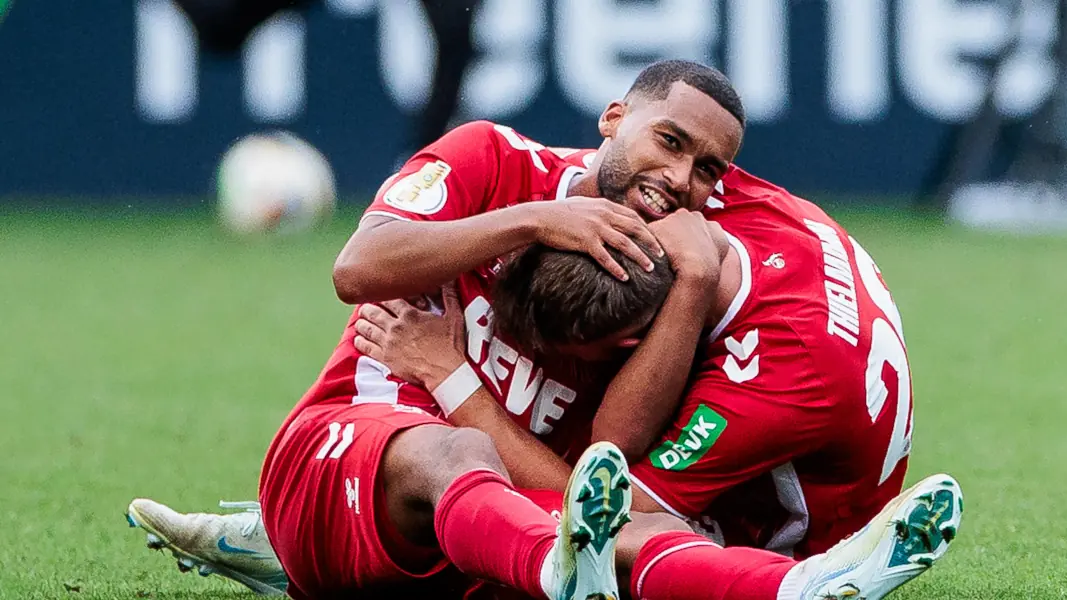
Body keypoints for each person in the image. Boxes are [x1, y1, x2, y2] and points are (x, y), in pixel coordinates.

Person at [126, 60, 963, 600]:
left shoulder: (670, 272)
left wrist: (687, 287)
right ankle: (563, 567)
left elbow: (602, 472)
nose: (677, 179)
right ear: (611, 118)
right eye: (666, 142)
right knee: (465, 456)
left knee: (632, 525)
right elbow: (359, 270)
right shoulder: (491, 161)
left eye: (706, 169)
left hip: (481, 547)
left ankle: (793, 591)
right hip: (340, 460)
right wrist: (528, 221)